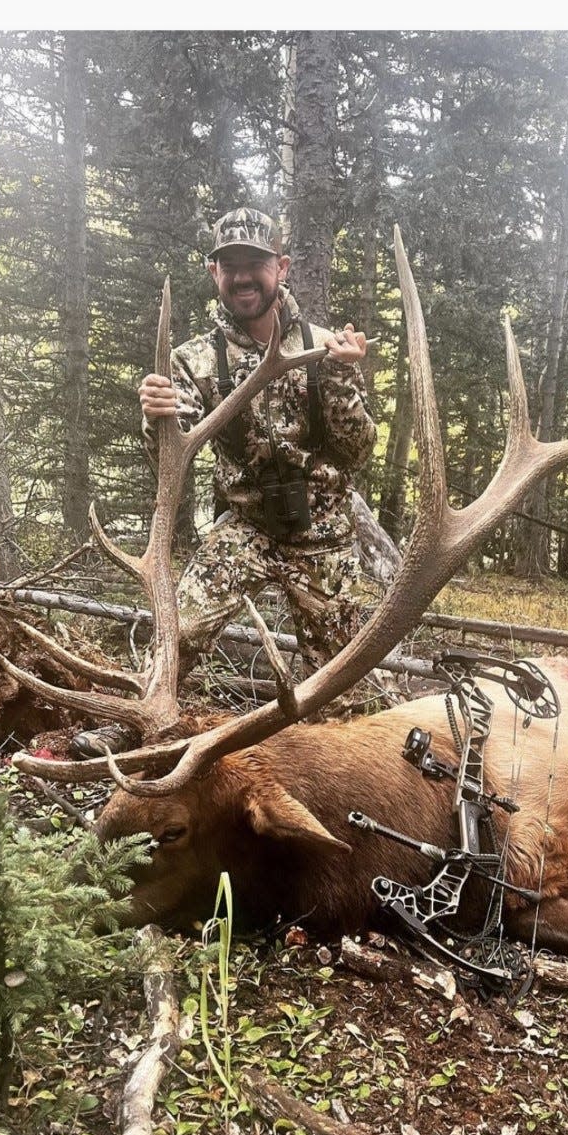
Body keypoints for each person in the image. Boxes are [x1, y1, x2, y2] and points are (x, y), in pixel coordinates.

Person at [74, 208, 376, 757]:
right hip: (247, 528)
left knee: (345, 697)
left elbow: (356, 451)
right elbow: (173, 454)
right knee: (181, 629)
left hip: (324, 535)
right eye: (229, 265)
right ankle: (129, 730)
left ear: (280, 268)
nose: (242, 276)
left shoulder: (326, 347)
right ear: (214, 273)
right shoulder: (194, 360)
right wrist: (158, 417)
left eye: (255, 264)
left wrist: (340, 377)